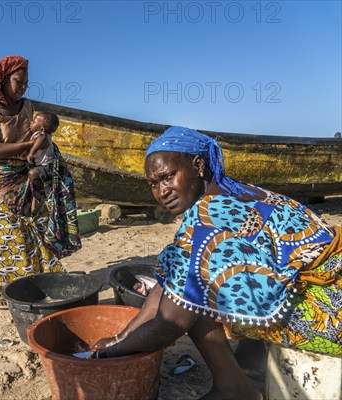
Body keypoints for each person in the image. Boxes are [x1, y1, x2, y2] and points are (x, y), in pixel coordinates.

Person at [90, 127, 341, 399]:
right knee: (191, 283)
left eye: (168, 176)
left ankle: (233, 389)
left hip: (330, 312)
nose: (162, 191)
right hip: (322, 287)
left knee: (193, 301)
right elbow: (170, 281)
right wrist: (123, 335)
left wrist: (102, 355)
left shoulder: (207, 222)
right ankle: (245, 366)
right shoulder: (233, 191)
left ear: (198, 165)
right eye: (153, 183)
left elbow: (168, 326)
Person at [0, 55, 81, 305]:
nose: (22, 86)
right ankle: (9, 290)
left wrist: (39, 152)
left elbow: (41, 134)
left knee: (38, 229)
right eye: (17, 81)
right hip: (4, 181)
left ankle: (44, 281)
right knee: (10, 234)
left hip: (31, 175)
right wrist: (28, 145)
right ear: (2, 81)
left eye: (25, 82)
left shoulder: (27, 107)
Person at [26, 111, 60, 191]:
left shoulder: (42, 135)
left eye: (34, 122)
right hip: (45, 167)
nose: (31, 122)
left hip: (46, 167)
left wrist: (31, 153)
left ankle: (43, 188)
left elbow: (42, 138)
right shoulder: (46, 136)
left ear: (41, 129)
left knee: (32, 173)